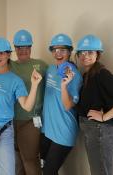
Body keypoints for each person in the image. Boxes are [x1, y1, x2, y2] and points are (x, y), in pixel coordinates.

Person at [0, 37, 42, 175]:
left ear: (8, 54)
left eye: (1, 53)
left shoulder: (15, 81)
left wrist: (34, 85)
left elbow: (27, 106)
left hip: (2, 132)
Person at [75, 34, 113, 175]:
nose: (85, 56)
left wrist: (104, 117)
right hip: (94, 132)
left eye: (90, 52)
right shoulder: (86, 76)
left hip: (101, 132)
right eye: (82, 53)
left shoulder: (101, 74)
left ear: (98, 54)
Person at [40, 34, 83, 175]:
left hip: (63, 131)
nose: (58, 54)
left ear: (70, 52)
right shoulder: (51, 69)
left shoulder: (74, 75)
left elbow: (68, 105)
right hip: (47, 129)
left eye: (62, 50)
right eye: (55, 50)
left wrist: (64, 85)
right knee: (46, 169)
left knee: (48, 172)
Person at [10, 29, 47, 175]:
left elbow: (57, 79)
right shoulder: (10, 66)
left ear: (31, 47)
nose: (23, 50)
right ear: (15, 48)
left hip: (31, 121)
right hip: (12, 121)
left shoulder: (41, 65)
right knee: (18, 161)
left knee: (30, 160)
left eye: (26, 47)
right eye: (19, 47)